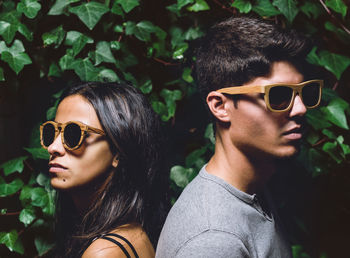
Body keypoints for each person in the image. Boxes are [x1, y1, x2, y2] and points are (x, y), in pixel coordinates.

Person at [156, 16, 323, 257]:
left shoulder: (254, 191)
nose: (300, 109)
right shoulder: (213, 240)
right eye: (278, 96)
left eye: (304, 92)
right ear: (220, 106)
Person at [40, 82, 167, 257]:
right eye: (52, 132)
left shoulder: (104, 252)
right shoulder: (131, 230)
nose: (53, 147)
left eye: (74, 134)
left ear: (118, 152)